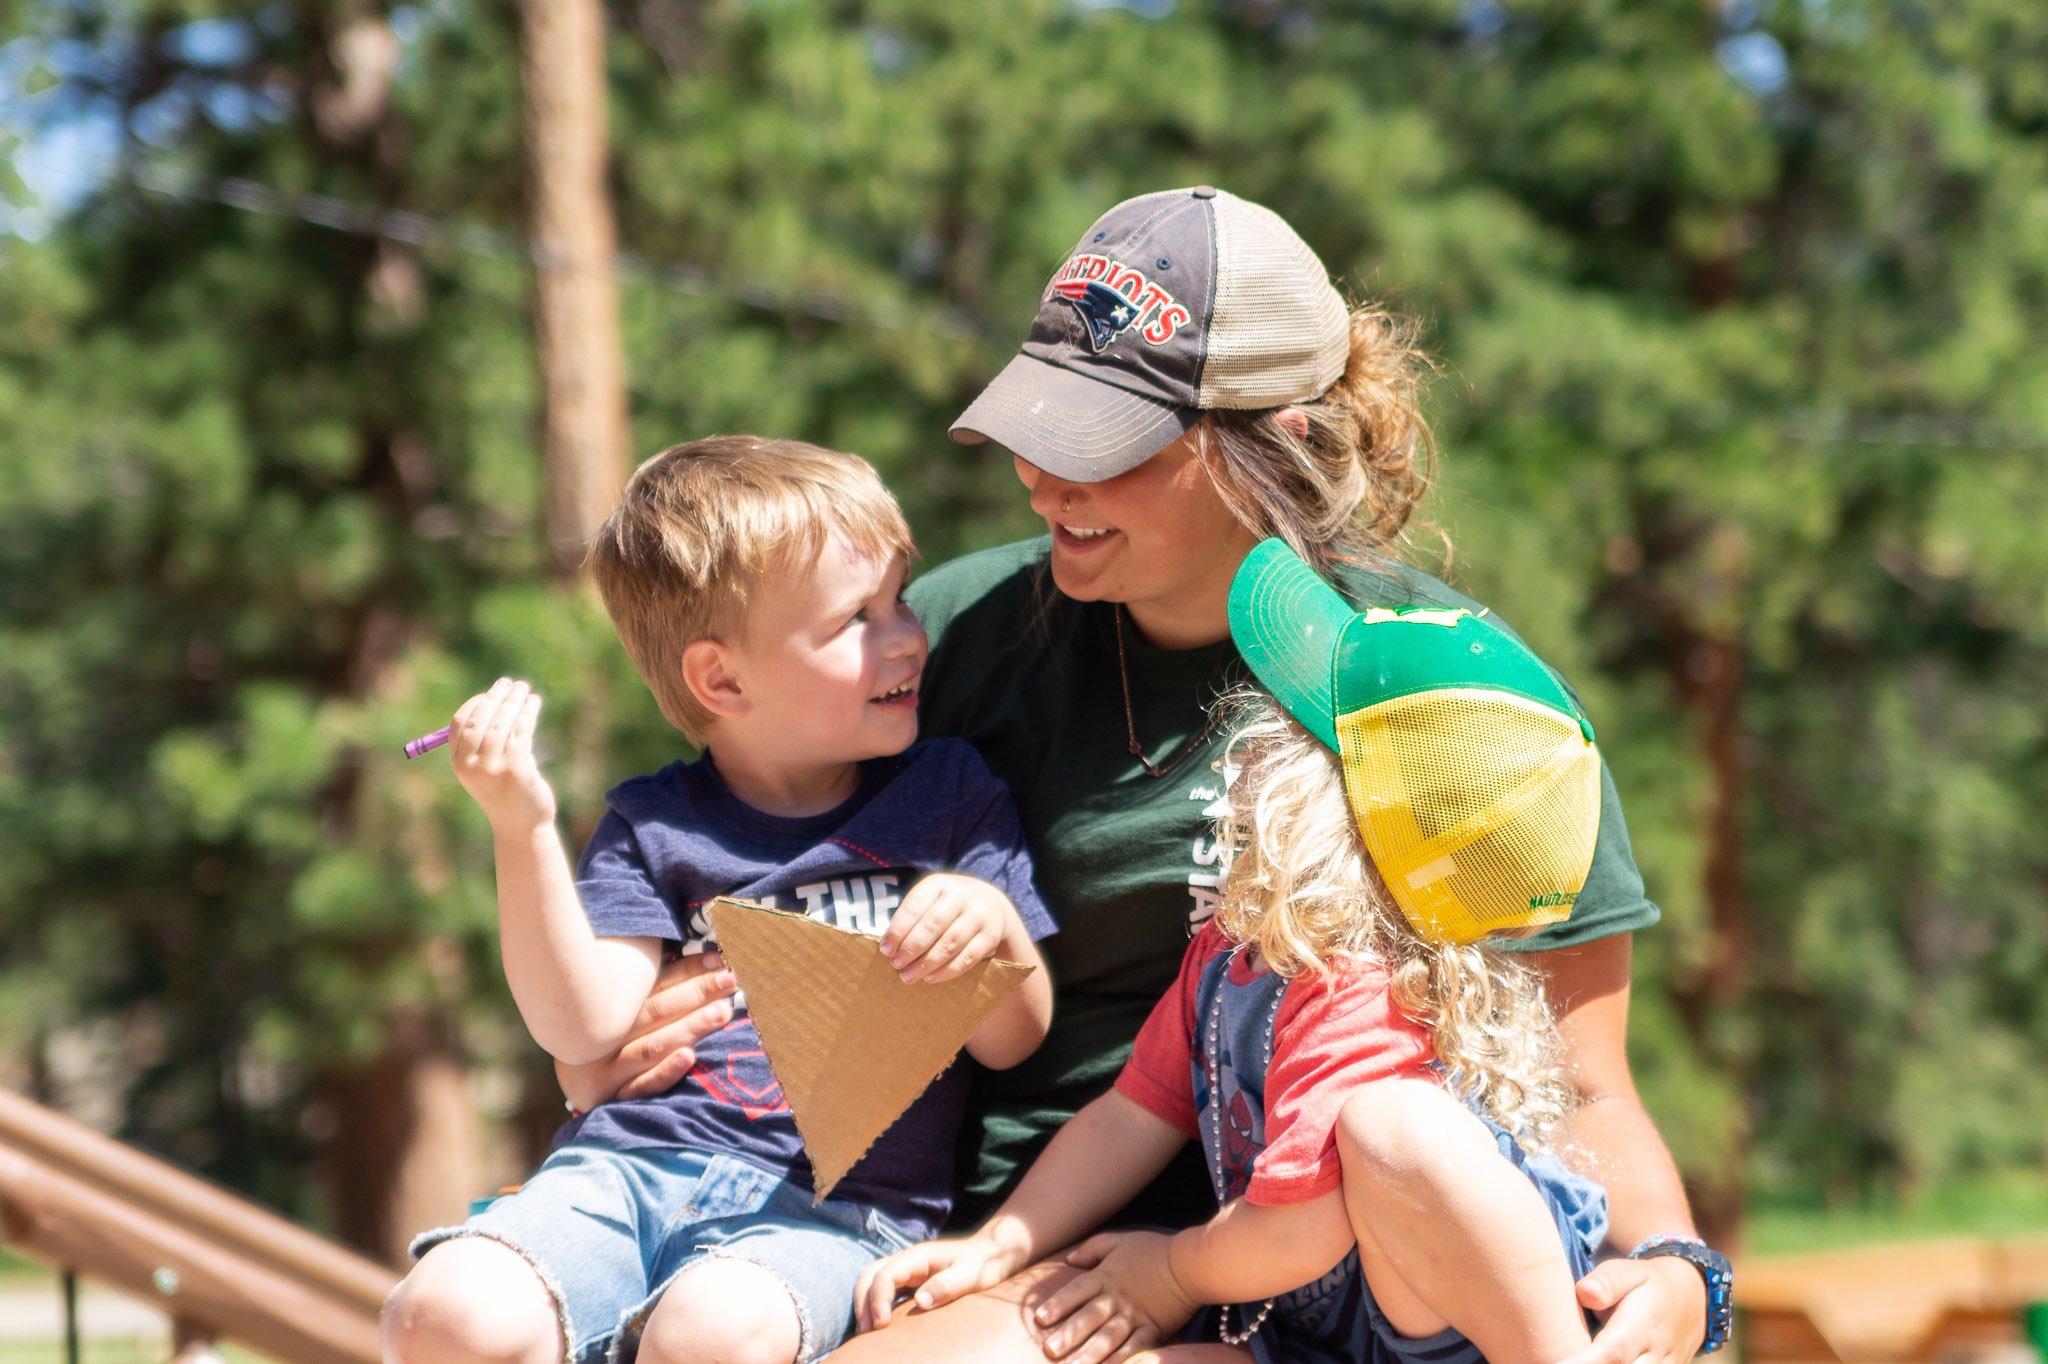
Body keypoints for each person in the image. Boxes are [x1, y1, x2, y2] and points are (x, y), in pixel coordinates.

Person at [562, 189, 1726, 1364]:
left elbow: (1584, 1083)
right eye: (1035, 423)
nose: (1036, 478)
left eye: (1098, 444)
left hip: (1358, 1265)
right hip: (1021, 1251)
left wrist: (1678, 1270)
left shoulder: (1441, 689)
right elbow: (732, 839)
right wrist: (652, 1011)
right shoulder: (937, 644)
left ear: (1274, 438)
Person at [856, 536, 1641, 1364]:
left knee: (1394, 1126)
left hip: (1440, 1327)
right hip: (1310, 1328)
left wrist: (1168, 1274)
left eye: (1284, 714)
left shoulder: (1361, 992)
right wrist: (1003, 1244)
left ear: (1315, 798)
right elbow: (1133, 1111)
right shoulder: (1241, 951)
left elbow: (1301, 1227)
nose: (1253, 717)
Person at [380, 436, 1056, 1364]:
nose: (906, 633)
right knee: (443, 1313)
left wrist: (995, 927)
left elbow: (1015, 1037)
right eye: (857, 618)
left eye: (900, 597)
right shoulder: (652, 822)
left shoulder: (949, 795)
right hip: (624, 1171)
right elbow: (583, 1029)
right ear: (722, 680)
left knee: (714, 1333)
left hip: (832, 1214)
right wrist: (520, 824)